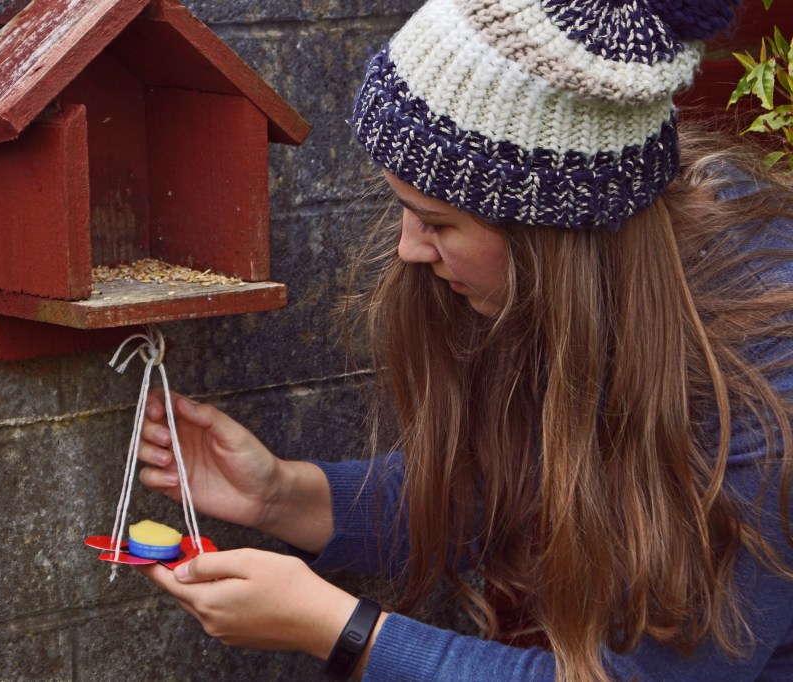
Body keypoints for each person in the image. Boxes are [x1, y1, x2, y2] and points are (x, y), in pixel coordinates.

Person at [132, 0, 793, 679]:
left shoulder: (765, 396)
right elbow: (514, 476)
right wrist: (283, 496)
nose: (408, 248)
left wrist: (344, 631)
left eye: (438, 224)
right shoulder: (609, 277)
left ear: (553, 233)